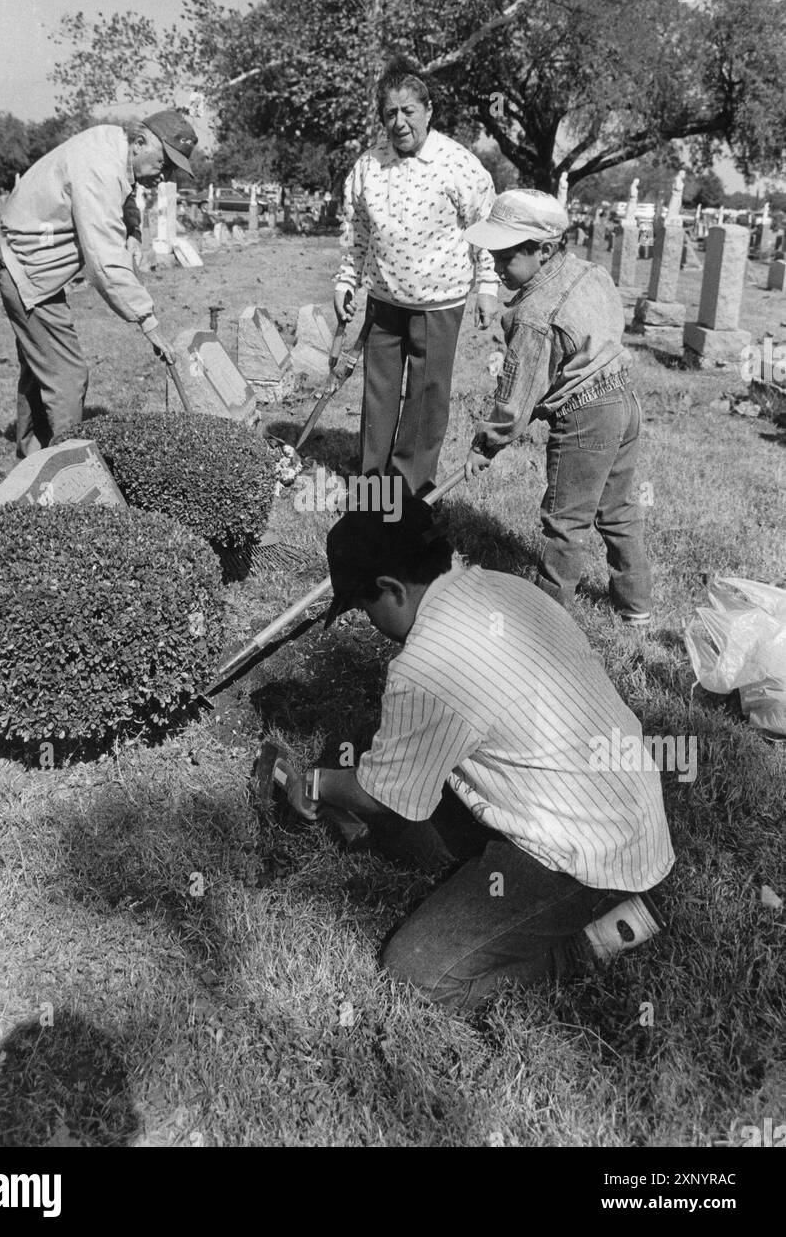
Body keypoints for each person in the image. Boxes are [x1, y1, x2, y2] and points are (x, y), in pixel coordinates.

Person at [285, 500, 674, 1010]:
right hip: (620, 806)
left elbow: (387, 796)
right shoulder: (506, 587)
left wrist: (316, 784)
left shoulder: (428, 666)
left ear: (392, 589)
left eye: (364, 606)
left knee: (415, 975)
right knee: (405, 819)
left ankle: (591, 940)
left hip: (586, 856)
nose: (370, 622)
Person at [464, 189, 653, 624]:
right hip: (624, 399)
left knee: (565, 520)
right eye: (491, 255)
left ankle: (545, 623)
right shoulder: (589, 272)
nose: (495, 265)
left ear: (544, 250)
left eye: (506, 256)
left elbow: (516, 398)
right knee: (617, 508)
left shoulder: (533, 314)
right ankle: (636, 605)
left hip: (586, 417)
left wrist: (486, 444)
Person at [334, 57, 499, 497]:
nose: (400, 121)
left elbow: (484, 227)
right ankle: (372, 488)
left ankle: (409, 491)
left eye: (409, 110)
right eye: (390, 112)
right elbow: (356, 230)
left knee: (426, 400)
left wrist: (486, 285)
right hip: (384, 303)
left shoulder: (459, 165)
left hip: (439, 304)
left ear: (428, 110)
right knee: (379, 397)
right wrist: (346, 281)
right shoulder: (368, 167)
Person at [0, 110, 197, 457]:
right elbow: (104, 261)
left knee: (40, 364)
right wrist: (148, 322)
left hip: (30, 264)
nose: (166, 173)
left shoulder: (115, 146)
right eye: (163, 161)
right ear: (140, 142)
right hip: (28, 269)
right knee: (68, 373)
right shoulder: (99, 168)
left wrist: (133, 231)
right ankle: (69, 468)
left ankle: (33, 453)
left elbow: (126, 193)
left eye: (172, 167)